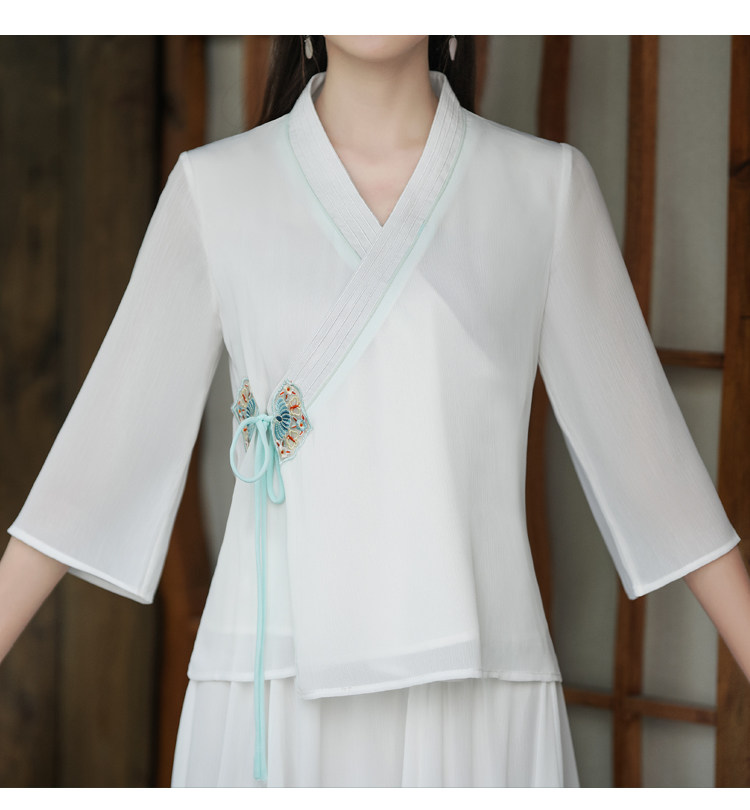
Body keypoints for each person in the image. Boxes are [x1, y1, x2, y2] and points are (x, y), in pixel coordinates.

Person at [1, 35, 750, 788]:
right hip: (271, 686)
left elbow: (655, 470)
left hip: (478, 680)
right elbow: (101, 455)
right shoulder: (215, 188)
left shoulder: (543, 187)